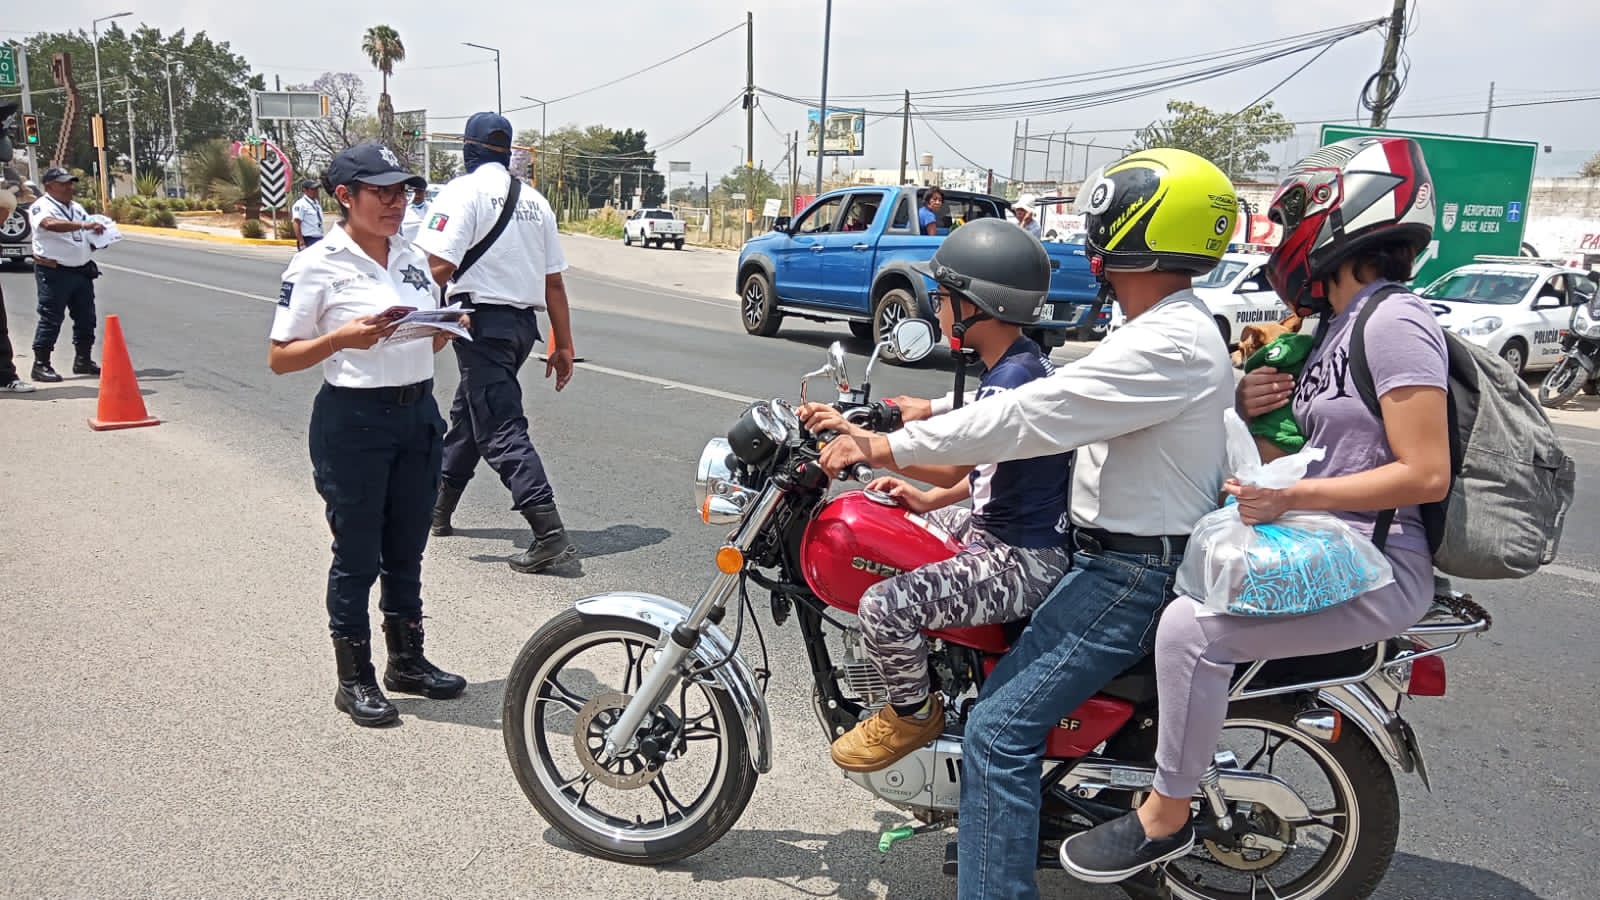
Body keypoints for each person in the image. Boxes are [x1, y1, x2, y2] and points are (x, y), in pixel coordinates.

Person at [819, 148, 1239, 899]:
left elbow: (1030, 414)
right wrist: (921, 419)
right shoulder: (1162, 330)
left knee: (999, 734)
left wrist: (886, 444)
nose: (1094, 243)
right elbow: (1050, 402)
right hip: (1110, 556)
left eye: (1103, 224)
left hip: (1127, 573)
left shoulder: (1166, 340)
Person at [1061, 136, 1452, 883]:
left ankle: (1166, 816)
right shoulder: (1345, 323)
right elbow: (1329, 452)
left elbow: (1424, 471)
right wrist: (1247, 415)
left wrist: (1291, 496)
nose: (1280, 243)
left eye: (1293, 219)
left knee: (1190, 632)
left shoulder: (1395, 322)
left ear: (1349, 213)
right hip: (1337, 543)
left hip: (1376, 563)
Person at [797, 219, 1074, 773]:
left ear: (977, 304)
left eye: (944, 296)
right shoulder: (1018, 363)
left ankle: (912, 711)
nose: (938, 308)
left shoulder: (1013, 382)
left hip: (1020, 558)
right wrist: (926, 501)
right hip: (994, 528)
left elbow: (957, 457)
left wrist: (869, 447)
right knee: (893, 531)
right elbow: (993, 468)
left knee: (884, 605)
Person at [268, 143, 469, 728]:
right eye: (380, 192)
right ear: (345, 197)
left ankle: (406, 661)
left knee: (407, 546)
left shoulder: (411, 257)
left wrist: (446, 327)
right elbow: (281, 358)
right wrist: (341, 340)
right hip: (354, 421)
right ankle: (353, 676)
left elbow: (418, 341)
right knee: (356, 555)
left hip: (417, 417)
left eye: (401, 191)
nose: (394, 202)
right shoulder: (316, 264)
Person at [416, 112, 579, 574]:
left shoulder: (461, 192)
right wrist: (562, 345)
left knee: (499, 427)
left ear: (468, 148)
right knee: (469, 416)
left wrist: (417, 321)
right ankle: (438, 510)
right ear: (507, 151)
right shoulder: (536, 202)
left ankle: (548, 532)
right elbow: (554, 285)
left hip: (479, 324)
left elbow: (437, 268)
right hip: (520, 329)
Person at [28, 167, 106, 384]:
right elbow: (48, 224)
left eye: (70, 183)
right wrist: (83, 225)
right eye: (63, 184)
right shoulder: (41, 206)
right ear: (50, 186)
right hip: (54, 271)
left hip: (80, 271)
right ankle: (41, 364)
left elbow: (85, 232)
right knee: (51, 317)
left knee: (86, 317)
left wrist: (99, 237)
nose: (69, 187)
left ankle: (83, 359)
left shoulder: (76, 207)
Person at [292, 179, 325, 251]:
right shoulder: (301, 204)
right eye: (313, 189)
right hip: (308, 239)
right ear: (305, 190)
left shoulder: (316, 203)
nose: (316, 191)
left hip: (318, 238)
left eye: (317, 189)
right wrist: (301, 242)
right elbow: (296, 223)